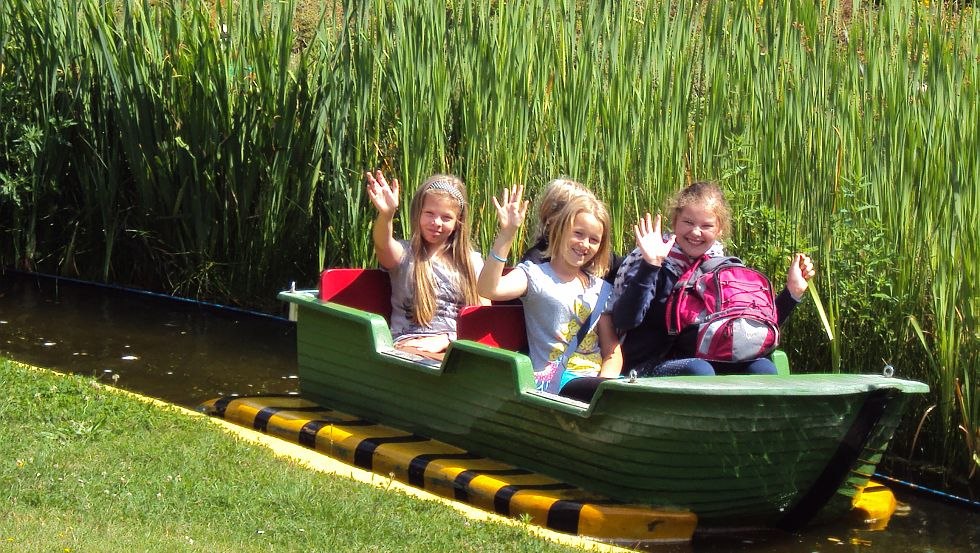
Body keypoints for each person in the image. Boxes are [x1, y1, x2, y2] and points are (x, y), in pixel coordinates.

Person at [612, 181, 815, 376]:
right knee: (699, 371)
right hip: (653, 364)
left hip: (711, 361)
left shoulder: (724, 272)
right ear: (675, 222)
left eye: (706, 226)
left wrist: (792, 293)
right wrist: (651, 265)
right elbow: (624, 319)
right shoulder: (652, 257)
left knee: (762, 369)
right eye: (688, 222)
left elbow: (752, 331)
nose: (696, 232)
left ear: (719, 230)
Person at [478, 184, 623, 402]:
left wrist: (606, 389)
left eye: (594, 240)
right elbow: (489, 289)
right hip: (555, 382)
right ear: (561, 230)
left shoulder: (602, 289)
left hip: (596, 385)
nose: (584, 244)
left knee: (633, 392)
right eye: (578, 234)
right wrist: (507, 234)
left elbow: (612, 352)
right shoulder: (534, 275)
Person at [366, 170, 488, 356]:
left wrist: (447, 339)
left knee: (466, 362)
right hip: (411, 342)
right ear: (418, 214)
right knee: (432, 361)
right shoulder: (404, 255)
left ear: (458, 221)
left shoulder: (472, 262)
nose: (436, 222)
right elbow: (382, 244)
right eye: (429, 213)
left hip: (458, 344)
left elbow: (483, 316)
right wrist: (387, 215)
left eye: (446, 217)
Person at [521, 178, 623, 284]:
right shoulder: (535, 262)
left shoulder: (591, 251)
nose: (585, 244)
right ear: (551, 219)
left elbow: (627, 266)